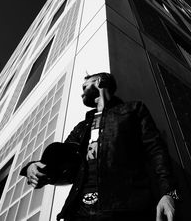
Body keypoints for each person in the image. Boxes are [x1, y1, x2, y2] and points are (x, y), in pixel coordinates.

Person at [24, 72, 179, 221]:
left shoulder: (133, 110)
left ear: (99, 82)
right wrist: (38, 169)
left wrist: (168, 193)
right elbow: (66, 163)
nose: (81, 93)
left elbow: (156, 151)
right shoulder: (82, 126)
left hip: (125, 208)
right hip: (78, 211)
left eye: (85, 86)